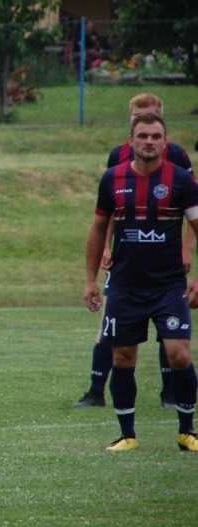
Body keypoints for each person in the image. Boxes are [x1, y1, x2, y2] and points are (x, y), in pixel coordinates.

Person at [84, 112, 198, 453]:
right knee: (122, 356)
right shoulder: (112, 179)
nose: (149, 141)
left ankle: (187, 430)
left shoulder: (181, 181)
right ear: (132, 141)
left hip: (169, 286)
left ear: (165, 142)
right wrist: (90, 279)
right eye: (143, 136)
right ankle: (127, 435)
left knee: (178, 353)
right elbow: (98, 229)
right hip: (124, 285)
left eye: (155, 136)